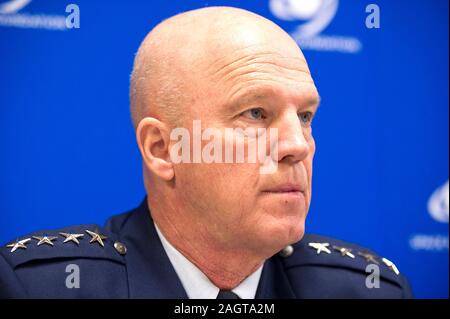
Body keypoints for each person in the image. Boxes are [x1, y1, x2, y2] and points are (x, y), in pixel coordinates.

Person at [0, 6, 412, 299]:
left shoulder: (366, 289)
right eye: (256, 113)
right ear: (162, 149)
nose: (297, 146)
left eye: (305, 116)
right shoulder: (37, 287)